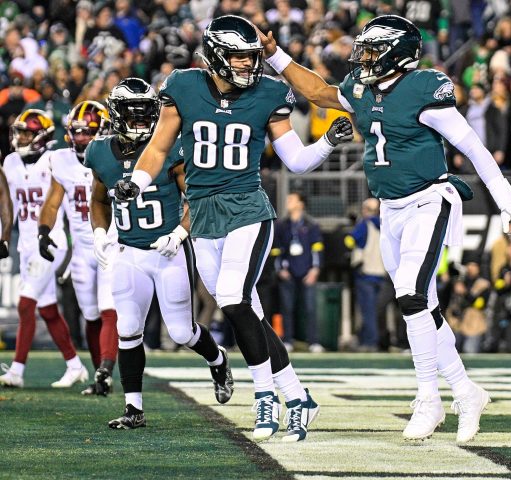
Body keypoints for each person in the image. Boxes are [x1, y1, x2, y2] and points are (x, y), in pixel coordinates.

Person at [260, 14, 511, 442]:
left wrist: (507, 202)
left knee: (410, 294)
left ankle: (428, 399)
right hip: (390, 209)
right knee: (424, 308)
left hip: (429, 198)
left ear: (399, 54)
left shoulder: (424, 87)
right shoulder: (362, 90)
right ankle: (464, 389)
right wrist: (275, 56)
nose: (363, 58)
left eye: (372, 50)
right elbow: (318, 92)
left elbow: (473, 147)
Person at [113, 16, 353, 442]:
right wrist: (140, 181)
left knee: (231, 298)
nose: (248, 65)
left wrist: (328, 142)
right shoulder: (183, 86)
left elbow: (295, 161)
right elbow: (160, 147)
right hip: (203, 215)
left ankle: (264, 398)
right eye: (240, 56)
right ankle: (298, 398)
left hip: (247, 210)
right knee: (248, 313)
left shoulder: (268, 92)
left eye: (252, 56)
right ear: (217, 56)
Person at [86, 78, 233, 429]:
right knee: (128, 327)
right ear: (117, 115)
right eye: (133, 115)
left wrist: (181, 231)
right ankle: (133, 409)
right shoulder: (99, 152)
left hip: (168, 251)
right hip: (129, 252)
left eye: (145, 115)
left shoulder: (169, 147)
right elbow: (97, 199)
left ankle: (217, 360)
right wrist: (100, 233)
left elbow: (198, 198)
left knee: (181, 333)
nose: (140, 122)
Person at [0, 109, 88, 389]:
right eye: (20, 131)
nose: (22, 137)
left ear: (42, 136)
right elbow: (8, 205)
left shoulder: (55, 160)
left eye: (28, 132)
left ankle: (16, 370)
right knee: (47, 309)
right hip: (25, 244)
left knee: (26, 304)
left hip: (51, 241)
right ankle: (75, 366)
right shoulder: (11, 162)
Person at [37, 100, 119, 396]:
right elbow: (53, 201)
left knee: (110, 309)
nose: (81, 138)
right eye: (77, 132)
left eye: (87, 132)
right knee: (91, 314)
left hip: (112, 242)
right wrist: (44, 231)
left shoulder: (114, 153)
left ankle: (105, 371)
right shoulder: (62, 160)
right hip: (83, 250)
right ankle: (102, 379)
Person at [273, 191, 325, 353]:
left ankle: (313, 341)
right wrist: (280, 269)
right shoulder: (282, 225)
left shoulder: (311, 224)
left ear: (301, 204)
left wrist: (315, 270)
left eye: (292, 200)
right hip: (288, 272)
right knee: (287, 307)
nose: (288, 202)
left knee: (310, 308)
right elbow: (276, 249)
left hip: (307, 271)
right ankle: (287, 339)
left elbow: (317, 248)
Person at [345, 197, 385, 352]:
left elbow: (350, 240)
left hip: (366, 272)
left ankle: (370, 342)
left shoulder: (365, 224)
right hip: (381, 273)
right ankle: (367, 338)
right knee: (374, 310)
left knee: (367, 311)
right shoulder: (385, 224)